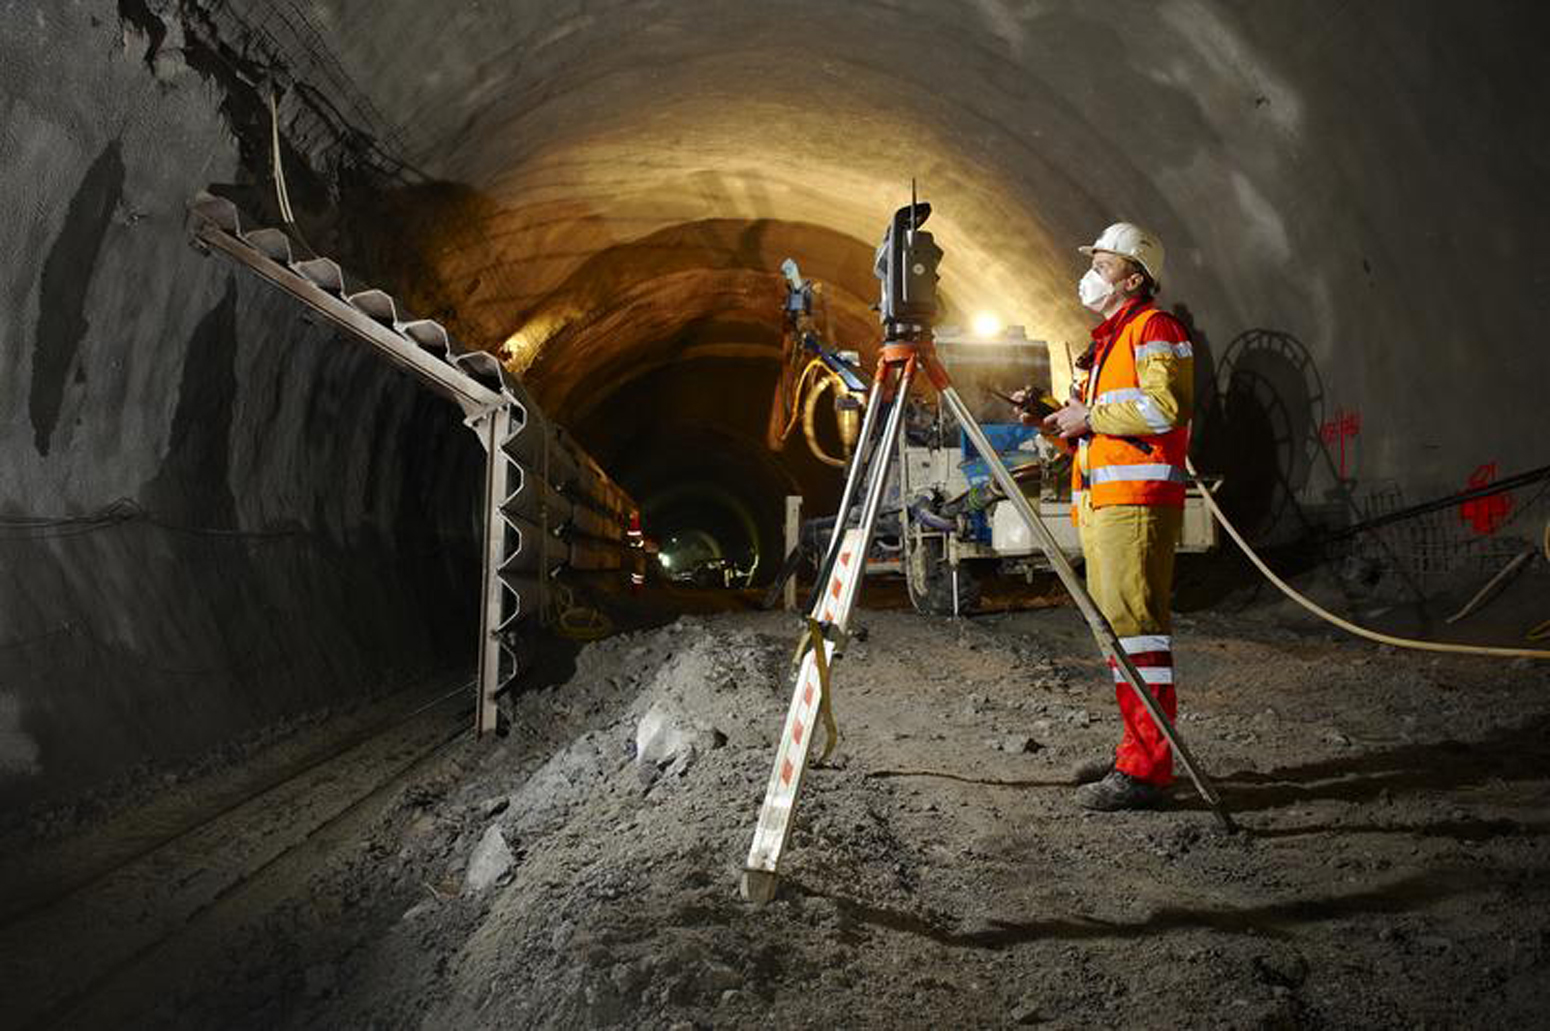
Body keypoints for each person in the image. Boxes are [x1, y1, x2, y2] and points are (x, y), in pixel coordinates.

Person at [1022, 222, 1195, 811]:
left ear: (1135, 277)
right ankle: (1135, 750)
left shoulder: (1155, 329)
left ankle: (1148, 770)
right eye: (1093, 261)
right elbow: (1094, 430)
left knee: (1138, 636)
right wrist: (1052, 417)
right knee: (1118, 635)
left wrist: (1089, 415)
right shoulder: (1107, 340)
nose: (1091, 273)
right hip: (1103, 502)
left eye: (1103, 263)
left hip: (1136, 505)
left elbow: (1164, 406)